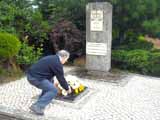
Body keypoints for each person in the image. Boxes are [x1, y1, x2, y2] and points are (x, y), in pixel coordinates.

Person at [26, 50, 72, 115]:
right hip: (35, 78)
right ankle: (37, 106)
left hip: (32, 75)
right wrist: (67, 89)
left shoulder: (52, 58)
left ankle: (42, 99)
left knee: (51, 81)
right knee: (53, 90)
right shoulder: (57, 63)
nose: (66, 61)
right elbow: (61, 79)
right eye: (66, 59)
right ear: (64, 57)